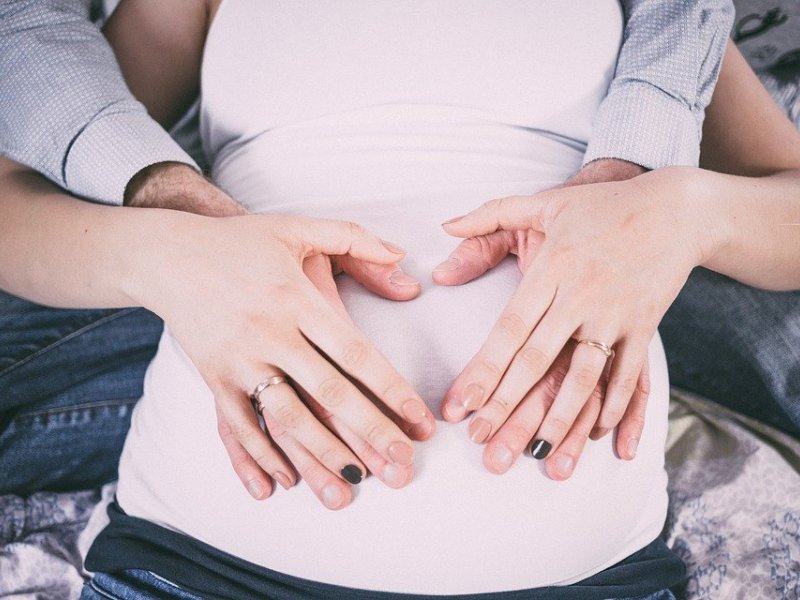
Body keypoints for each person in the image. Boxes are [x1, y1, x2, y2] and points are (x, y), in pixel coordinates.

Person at [59, 0, 793, 599]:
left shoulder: (667, 17)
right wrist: (163, 253)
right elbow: (19, 192)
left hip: (591, 583)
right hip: (198, 568)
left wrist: (684, 214)